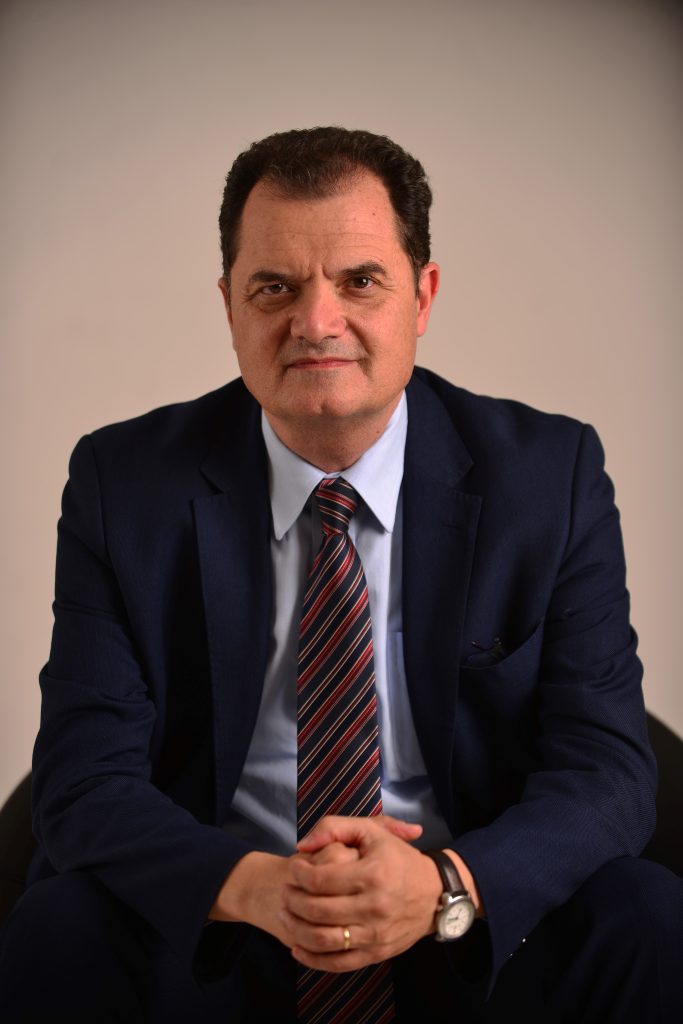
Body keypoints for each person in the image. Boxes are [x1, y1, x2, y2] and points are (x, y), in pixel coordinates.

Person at [0, 127, 681, 1023]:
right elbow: (85, 779)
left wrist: (446, 887)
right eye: (274, 287)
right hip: (223, 922)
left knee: (645, 917)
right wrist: (258, 888)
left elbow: (607, 770)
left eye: (359, 281)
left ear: (421, 296)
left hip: (466, 927)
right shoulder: (121, 484)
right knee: (61, 926)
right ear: (229, 305)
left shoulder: (548, 477)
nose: (315, 323)